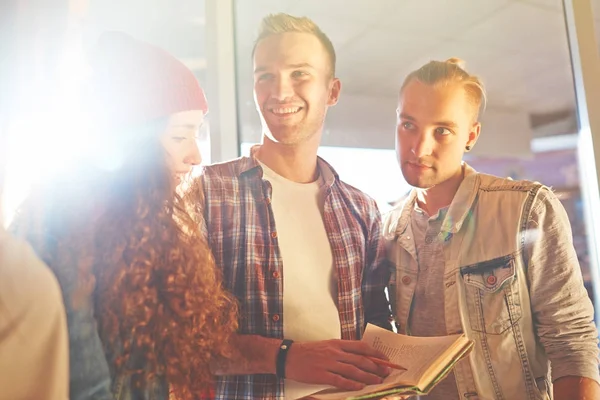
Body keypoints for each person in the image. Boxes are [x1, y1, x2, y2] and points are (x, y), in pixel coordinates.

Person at [11, 31, 237, 400]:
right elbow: (88, 388)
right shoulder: (69, 231)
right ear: (132, 141)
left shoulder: (135, 228)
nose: (195, 156)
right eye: (180, 136)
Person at [198, 13, 393, 400]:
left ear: (332, 91)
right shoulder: (206, 192)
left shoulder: (361, 209)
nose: (280, 92)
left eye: (299, 74)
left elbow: (376, 330)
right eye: (264, 76)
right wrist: (284, 357)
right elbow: (184, 339)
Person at [384, 58, 600, 399]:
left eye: (442, 130)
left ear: (471, 135)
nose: (419, 147)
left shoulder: (526, 210)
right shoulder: (389, 229)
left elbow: (571, 343)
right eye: (408, 125)